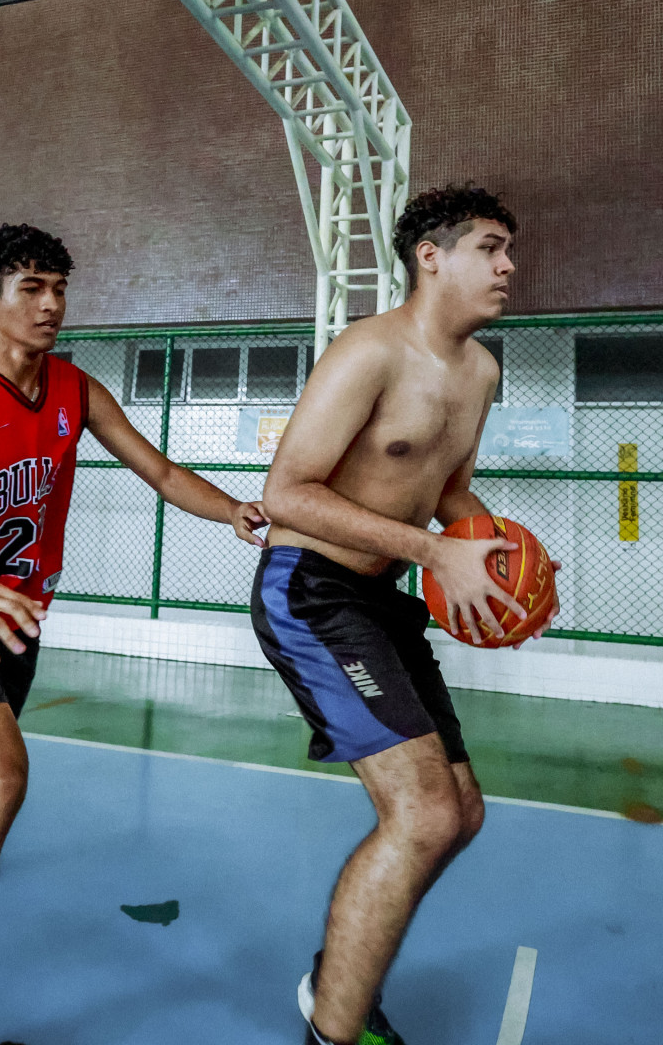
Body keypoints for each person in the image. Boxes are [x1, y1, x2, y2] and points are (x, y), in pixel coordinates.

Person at [0, 223, 267, 1045]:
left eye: (59, 287)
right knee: (0, 776)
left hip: (21, 616)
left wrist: (237, 510)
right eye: (31, 288)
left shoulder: (75, 389)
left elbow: (165, 473)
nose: (52, 304)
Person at [257, 183, 534, 1045]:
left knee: (461, 812)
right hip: (311, 589)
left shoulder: (481, 369)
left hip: (380, 598)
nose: (508, 266)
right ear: (431, 256)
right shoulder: (367, 352)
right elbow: (285, 495)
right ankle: (334, 1028)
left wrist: (491, 548)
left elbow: (446, 491)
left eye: (508, 250)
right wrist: (433, 552)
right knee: (421, 814)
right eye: (490, 247)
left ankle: (341, 976)